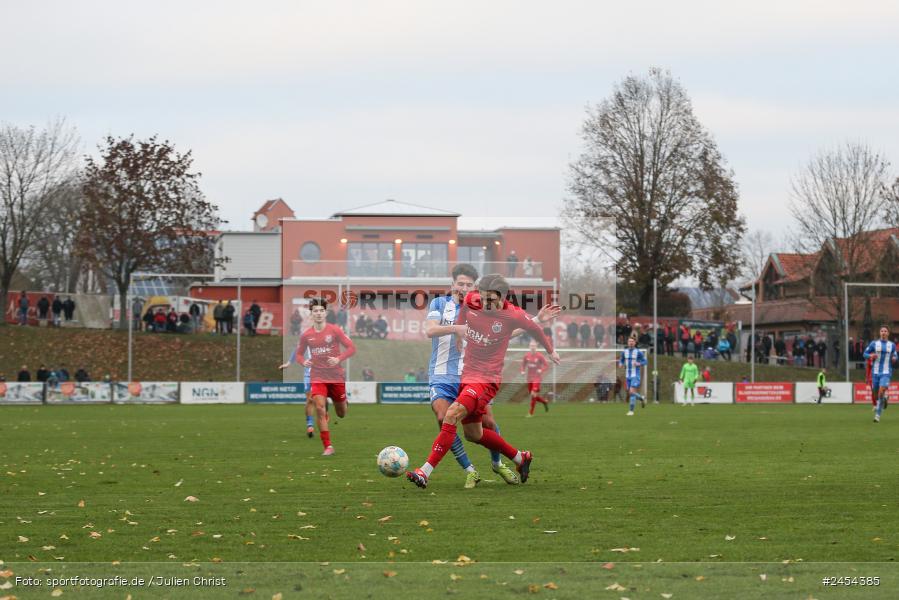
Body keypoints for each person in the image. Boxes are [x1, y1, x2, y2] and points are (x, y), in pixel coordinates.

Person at [406, 274, 560, 489]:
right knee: (474, 434)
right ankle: (520, 458)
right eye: (483, 298)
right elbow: (464, 314)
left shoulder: (513, 314)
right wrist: (459, 333)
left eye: (491, 299)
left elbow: (535, 330)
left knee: (451, 415)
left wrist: (551, 351)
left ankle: (424, 471)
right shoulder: (472, 300)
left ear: (503, 297)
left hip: (487, 380)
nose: (486, 303)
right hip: (468, 376)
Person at [423, 263, 525, 488]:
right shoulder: (439, 304)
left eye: (469, 285)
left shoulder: (483, 309)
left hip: (473, 375)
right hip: (442, 374)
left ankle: (498, 463)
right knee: (443, 418)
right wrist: (456, 329)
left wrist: (535, 323)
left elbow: (505, 331)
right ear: (452, 285)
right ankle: (470, 470)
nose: (464, 287)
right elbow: (429, 330)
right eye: (460, 283)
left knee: (487, 422)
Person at [279, 298, 356, 455]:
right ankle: (328, 446)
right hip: (318, 376)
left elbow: (351, 348)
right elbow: (299, 354)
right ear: (311, 314)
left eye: (321, 310)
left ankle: (343, 401)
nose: (319, 313)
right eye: (315, 311)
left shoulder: (335, 330)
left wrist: (338, 359)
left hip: (335, 377)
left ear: (325, 313)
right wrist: (303, 361)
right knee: (320, 408)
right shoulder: (306, 335)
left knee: (341, 413)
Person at [863, 326, 898, 423]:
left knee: (881, 391)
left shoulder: (892, 345)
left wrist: (895, 358)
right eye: (882, 331)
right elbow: (864, 354)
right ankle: (885, 398)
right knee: (876, 394)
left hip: (886, 372)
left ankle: (877, 415)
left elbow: (896, 355)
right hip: (875, 372)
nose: (883, 332)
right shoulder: (874, 343)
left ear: (888, 333)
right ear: (879, 333)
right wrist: (870, 355)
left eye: (885, 331)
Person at [619, 336, 647, 416]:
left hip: (635, 375)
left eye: (632, 341)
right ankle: (641, 398)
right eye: (629, 341)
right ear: (627, 343)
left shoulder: (639, 352)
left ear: (635, 343)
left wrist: (639, 363)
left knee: (631, 392)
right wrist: (620, 364)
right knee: (630, 392)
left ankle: (631, 411)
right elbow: (621, 360)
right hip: (628, 375)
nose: (631, 343)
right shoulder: (624, 352)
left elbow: (645, 361)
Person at [522, 339, 549, 416]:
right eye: (531, 346)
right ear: (529, 346)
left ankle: (531, 413)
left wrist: (541, 370)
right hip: (529, 378)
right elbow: (523, 365)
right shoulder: (526, 356)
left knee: (533, 394)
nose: (532, 347)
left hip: (537, 378)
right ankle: (544, 402)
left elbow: (546, 365)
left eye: (534, 346)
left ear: (536, 347)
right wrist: (522, 371)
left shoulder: (540, 356)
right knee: (533, 395)